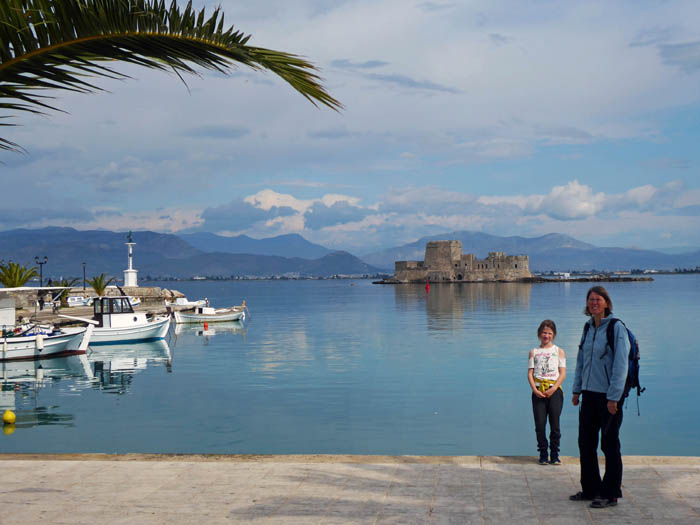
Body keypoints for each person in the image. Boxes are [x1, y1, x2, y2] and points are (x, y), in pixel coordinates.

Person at [570, 286, 629, 509]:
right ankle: (590, 489)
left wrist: (614, 398)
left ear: (606, 303)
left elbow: (620, 367)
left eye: (598, 299)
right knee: (585, 443)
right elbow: (581, 362)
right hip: (589, 394)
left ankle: (610, 492)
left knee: (609, 444)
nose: (594, 303)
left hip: (609, 397)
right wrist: (577, 390)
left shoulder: (616, 328)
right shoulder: (588, 328)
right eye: (591, 299)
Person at [527, 319, 566, 465]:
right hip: (538, 391)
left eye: (549, 333)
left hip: (554, 391)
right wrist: (534, 389)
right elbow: (530, 373)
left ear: (553, 335)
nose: (546, 335)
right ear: (539, 333)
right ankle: (543, 453)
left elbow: (562, 373)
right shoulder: (534, 352)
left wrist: (554, 388)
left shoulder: (559, 351)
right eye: (544, 332)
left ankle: (554, 454)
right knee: (540, 425)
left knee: (555, 425)